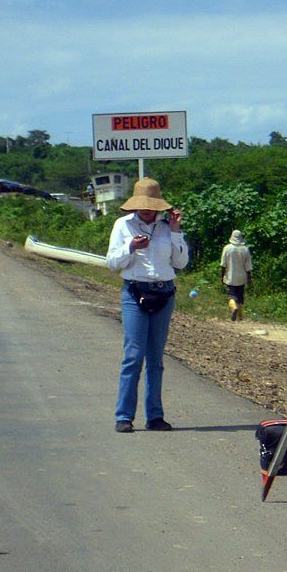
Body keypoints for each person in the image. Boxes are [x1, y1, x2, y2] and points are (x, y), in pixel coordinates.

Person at [106, 178, 189, 433]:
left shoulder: (167, 228)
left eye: (150, 206)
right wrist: (131, 246)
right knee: (133, 355)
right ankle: (124, 416)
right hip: (135, 292)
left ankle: (155, 416)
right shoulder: (123, 225)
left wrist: (176, 230)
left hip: (164, 292)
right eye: (141, 205)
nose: (146, 210)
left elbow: (181, 262)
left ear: (159, 207)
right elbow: (112, 262)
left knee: (156, 358)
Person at [221, 230, 253, 321]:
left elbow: (223, 265)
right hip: (241, 278)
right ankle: (240, 316)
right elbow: (248, 266)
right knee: (240, 297)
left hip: (230, 277)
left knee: (231, 297)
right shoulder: (245, 249)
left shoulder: (227, 248)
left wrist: (222, 276)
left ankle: (234, 308)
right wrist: (249, 278)